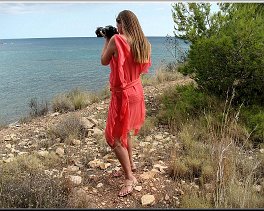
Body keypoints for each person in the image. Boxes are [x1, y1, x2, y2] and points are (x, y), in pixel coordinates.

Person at [100, 10, 151, 197]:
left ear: (122, 23)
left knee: (112, 138)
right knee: (126, 132)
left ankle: (129, 177)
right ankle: (131, 165)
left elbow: (104, 61)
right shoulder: (142, 42)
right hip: (137, 90)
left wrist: (107, 38)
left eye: (117, 22)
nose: (117, 25)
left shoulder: (117, 40)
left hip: (123, 95)